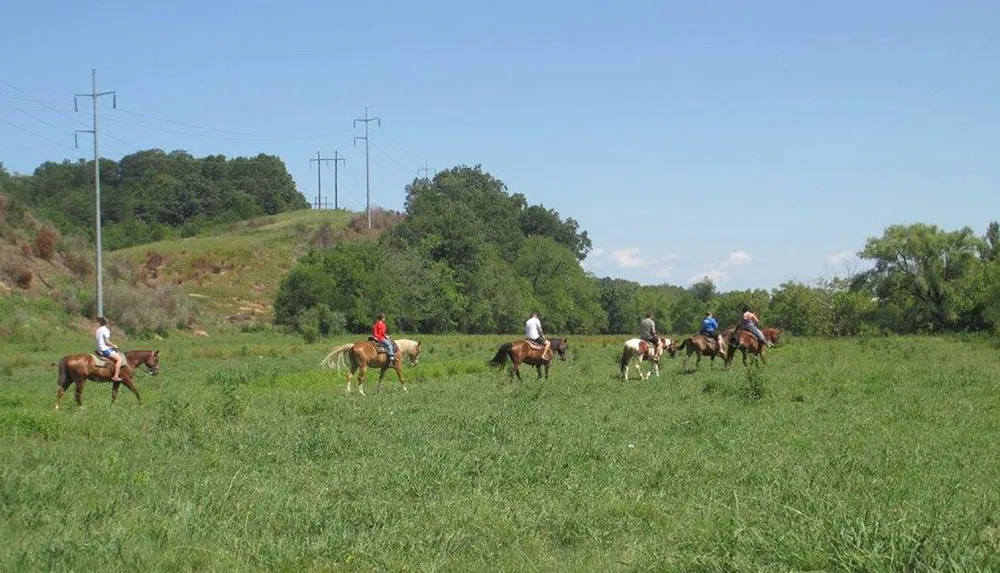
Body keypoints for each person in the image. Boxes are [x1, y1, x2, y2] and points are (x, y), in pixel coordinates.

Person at [95, 316, 123, 382]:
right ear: (107, 323)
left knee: (116, 353)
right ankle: (116, 376)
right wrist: (114, 346)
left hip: (99, 348)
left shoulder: (98, 330)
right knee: (119, 359)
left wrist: (112, 347)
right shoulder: (106, 330)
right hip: (104, 349)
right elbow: (107, 342)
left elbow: (99, 341)